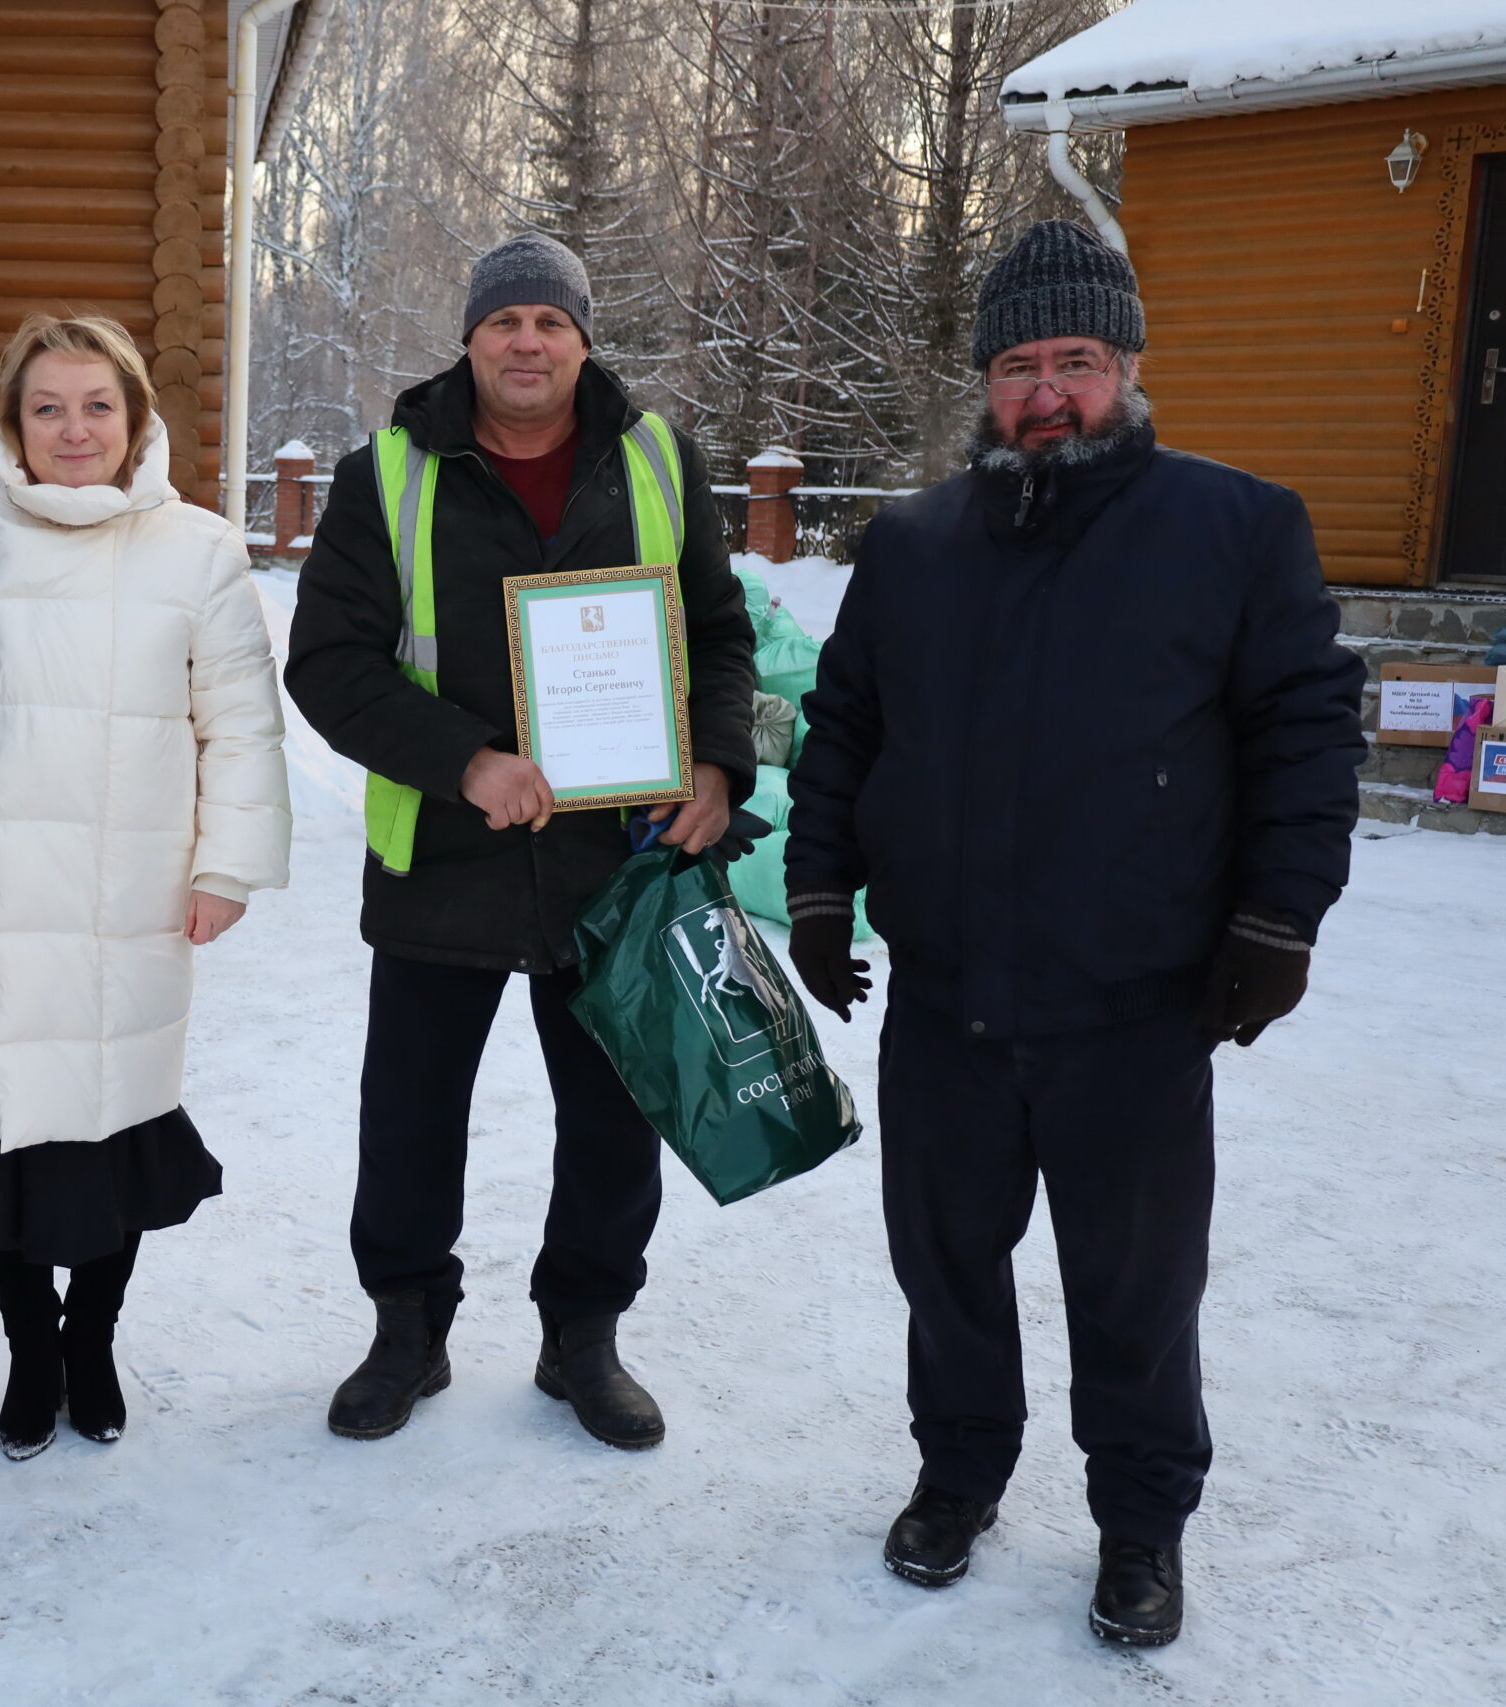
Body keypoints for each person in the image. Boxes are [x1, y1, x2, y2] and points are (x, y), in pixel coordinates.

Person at [783, 219, 1365, 1646]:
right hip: (950, 998)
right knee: (946, 1267)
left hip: (1136, 1003)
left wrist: (1279, 915)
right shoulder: (915, 542)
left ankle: (1143, 1522)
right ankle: (958, 1472)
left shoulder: (1233, 527)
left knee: (1137, 1287)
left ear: (1128, 368)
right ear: (988, 381)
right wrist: (815, 886)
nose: (1049, 390)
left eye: (1079, 361)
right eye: (1021, 363)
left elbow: (1304, 732)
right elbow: (845, 725)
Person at [285, 232, 757, 1449]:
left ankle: (582, 1339)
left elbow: (719, 635)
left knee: (612, 1119)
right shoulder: (385, 472)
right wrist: (465, 763)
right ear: (470, 337)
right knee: (409, 1116)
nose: (527, 343)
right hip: (445, 860)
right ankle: (406, 1331)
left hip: (618, 862)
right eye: (505, 322)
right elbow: (328, 665)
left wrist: (713, 761)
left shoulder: (656, 459)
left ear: (582, 337)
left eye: (550, 322)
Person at [0, 314, 290, 1460]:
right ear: (13, 424)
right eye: (48, 408)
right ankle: (30, 1353)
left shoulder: (199, 550)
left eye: (97, 406)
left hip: (133, 901)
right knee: (2, 1135)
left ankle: (95, 1342)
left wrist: (226, 866)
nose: (75, 430)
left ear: (137, 419)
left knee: (116, 1130)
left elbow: (239, 725)